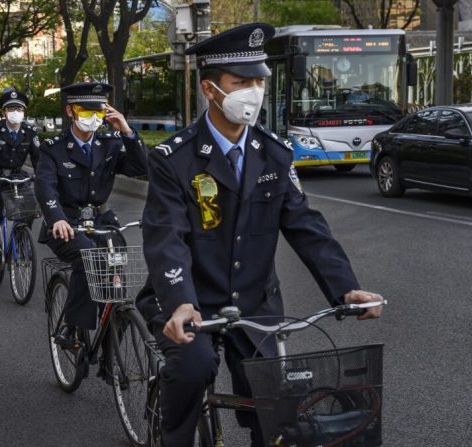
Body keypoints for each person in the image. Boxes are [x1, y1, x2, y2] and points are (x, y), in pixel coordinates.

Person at [134, 23, 384, 447]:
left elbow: (306, 225)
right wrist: (179, 304)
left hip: (256, 304)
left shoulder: (274, 152)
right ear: (211, 89)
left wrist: (346, 289)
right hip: (191, 302)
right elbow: (166, 237)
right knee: (192, 370)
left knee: (277, 413)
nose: (254, 90)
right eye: (241, 82)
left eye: (258, 80)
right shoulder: (172, 159)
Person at [34, 82, 148, 355]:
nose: (93, 118)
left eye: (99, 112)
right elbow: (44, 186)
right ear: (71, 111)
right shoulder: (54, 147)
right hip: (66, 224)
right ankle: (71, 327)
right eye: (86, 111)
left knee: (117, 269)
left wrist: (128, 132)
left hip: (102, 221)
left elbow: (141, 168)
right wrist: (56, 218)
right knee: (88, 256)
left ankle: (113, 342)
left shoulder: (109, 143)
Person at [0, 88, 40, 275]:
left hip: (18, 178)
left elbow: (39, 158)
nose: (15, 113)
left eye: (19, 109)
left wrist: (44, 174)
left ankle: (21, 242)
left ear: (24, 111)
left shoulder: (29, 131)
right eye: (11, 109)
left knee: (29, 212)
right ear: (4, 112)